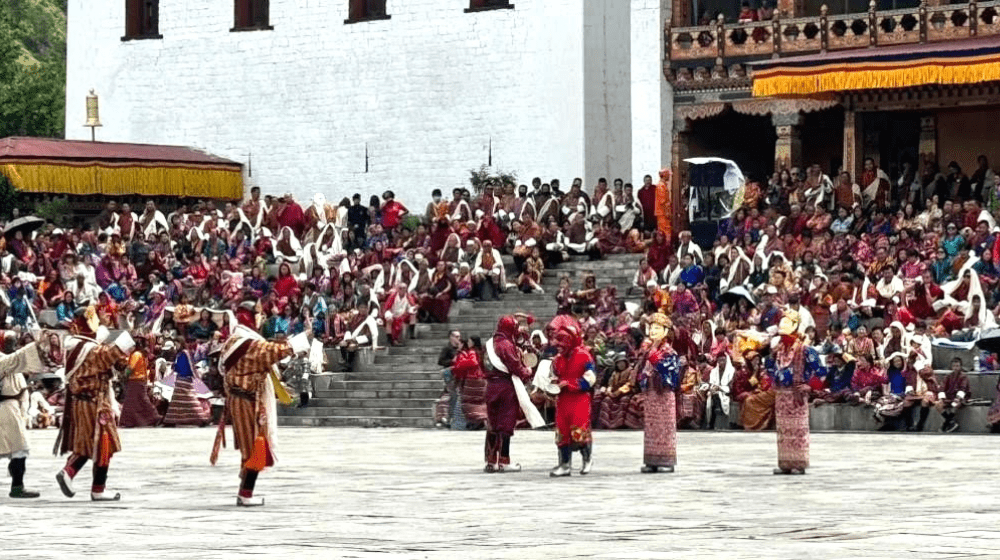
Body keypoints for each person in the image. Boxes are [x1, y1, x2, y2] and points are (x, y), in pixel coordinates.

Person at [210, 328, 301, 507]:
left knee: (251, 448)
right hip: (248, 403)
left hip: (239, 401)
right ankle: (245, 494)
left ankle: (245, 491)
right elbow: (277, 351)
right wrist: (303, 339)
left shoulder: (231, 345)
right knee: (255, 447)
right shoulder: (250, 348)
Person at [55, 330, 136, 502]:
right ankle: (97, 488)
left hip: (81, 403)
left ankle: (69, 472)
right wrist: (128, 339)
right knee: (103, 444)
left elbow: (111, 363)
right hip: (96, 404)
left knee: (87, 442)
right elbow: (110, 353)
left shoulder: (76, 349)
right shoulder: (91, 350)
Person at [765, 309, 823, 475]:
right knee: (783, 432)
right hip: (782, 398)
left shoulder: (806, 350)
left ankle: (799, 463)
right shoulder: (779, 350)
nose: (784, 338)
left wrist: (809, 387)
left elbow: (821, 372)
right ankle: (785, 463)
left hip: (796, 397)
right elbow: (770, 367)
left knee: (798, 432)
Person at [482, 316, 533, 473]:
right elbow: (515, 366)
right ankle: (504, 461)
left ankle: (491, 462)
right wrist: (527, 371)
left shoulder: (488, 345)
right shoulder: (506, 345)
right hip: (505, 387)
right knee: (506, 424)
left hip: (490, 386)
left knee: (493, 424)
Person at [549, 316, 596, 477]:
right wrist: (554, 384)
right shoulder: (557, 360)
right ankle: (564, 464)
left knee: (579, 432)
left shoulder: (584, 356)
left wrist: (571, 384)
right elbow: (555, 375)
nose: (558, 346)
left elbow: (591, 379)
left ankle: (587, 459)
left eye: (562, 342)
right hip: (563, 401)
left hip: (579, 400)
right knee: (562, 433)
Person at [0, 341, 46, 498]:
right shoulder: (6, 362)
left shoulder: (11, 364)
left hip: (12, 409)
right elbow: (14, 359)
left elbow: (22, 390)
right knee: (18, 448)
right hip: (4, 409)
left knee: (19, 450)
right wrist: (34, 346)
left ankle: (17, 487)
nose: (12, 347)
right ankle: (17, 487)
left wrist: (24, 411)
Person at [638, 312, 681, 474]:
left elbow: (673, 373)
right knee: (651, 427)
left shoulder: (669, 351)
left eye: (657, 328)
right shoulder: (648, 348)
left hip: (663, 393)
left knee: (664, 427)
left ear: (665, 331)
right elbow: (643, 368)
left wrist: (658, 362)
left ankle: (666, 460)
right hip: (650, 392)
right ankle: (651, 460)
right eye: (651, 327)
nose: (653, 331)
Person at [118, 337, 161, 428]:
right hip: (137, 380)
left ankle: (155, 417)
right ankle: (130, 421)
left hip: (137, 380)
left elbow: (131, 368)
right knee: (134, 402)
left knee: (141, 400)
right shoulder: (137, 354)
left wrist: (124, 375)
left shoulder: (136, 354)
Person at [162, 347, 212, 427]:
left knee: (188, 401)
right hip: (182, 379)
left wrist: (175, 367)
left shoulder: (183, 354)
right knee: (182, 402)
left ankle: (200, 418)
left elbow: (182, 367)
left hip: (184, 379)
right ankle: (172, 420)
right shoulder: (184, 354)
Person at [434, 330, 462, 429]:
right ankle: (444, 417)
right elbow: (440, 361)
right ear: (451, 337)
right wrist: (452, 361)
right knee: (451, 394)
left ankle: (450, 417)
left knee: (454, 396)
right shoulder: (447, 349)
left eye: (459, 336)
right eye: (456, 336)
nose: (458, 338)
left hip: (458, 375)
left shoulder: (460, 348)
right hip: (450, 374)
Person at [937, 357, 970, 433]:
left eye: (957, 366)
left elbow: (963, 388)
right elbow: (942, 388)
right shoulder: (948, 376)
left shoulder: (964, 376)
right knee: (938, 404)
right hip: (949, 397)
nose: (955, 368)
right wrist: (941, 398)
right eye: (954, 366)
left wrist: (958, 398)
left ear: (960, 367)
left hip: (961, 398)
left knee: (955, 404)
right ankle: (951, 421)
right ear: (952, 367)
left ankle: (946, 423)